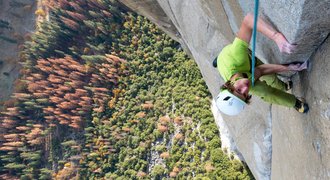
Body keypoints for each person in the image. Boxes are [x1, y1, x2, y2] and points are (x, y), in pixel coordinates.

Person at [214, 13, 309, 116]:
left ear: (229, 85)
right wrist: (288, 67)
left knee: (270, 76)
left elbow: (248, 20)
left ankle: (218, 60)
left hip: (237, 60)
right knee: (267, 93)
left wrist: (276, 36)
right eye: (245, 94)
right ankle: (293, 101)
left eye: (238, 90)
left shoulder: (236, 56)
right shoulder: (244, 84)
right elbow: (261, 70)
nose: (245, 88)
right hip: (240, 70)